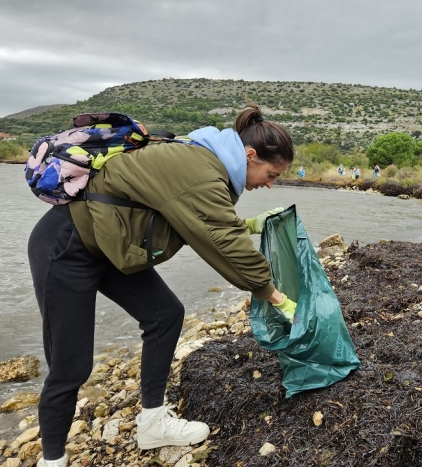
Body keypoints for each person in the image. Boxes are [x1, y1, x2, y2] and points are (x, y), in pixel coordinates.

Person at [28, 105, 297, 467]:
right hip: (66, 247)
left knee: (165, 314)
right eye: (271, 173)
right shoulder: (200, 170)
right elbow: (221, 238)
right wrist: (273, 294)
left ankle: (153, 423)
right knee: (70, 365)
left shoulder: (205, 163)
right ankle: (53, 460)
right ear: (250, 155)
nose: (269, 183)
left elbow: (197, 220)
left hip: (109, 246)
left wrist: (248, 225)